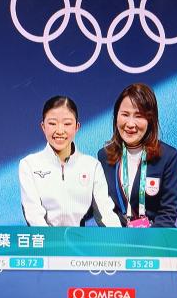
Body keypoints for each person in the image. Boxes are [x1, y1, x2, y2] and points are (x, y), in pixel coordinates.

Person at [19, 96, 121, 227]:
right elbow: (33, 215)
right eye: (52, 123)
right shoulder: (29, 164)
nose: (59, 131)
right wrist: (51, 239)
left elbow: (106, 213)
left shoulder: (92, 166)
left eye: (67, 124)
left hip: (78, 238)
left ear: (77, 127)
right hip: (44, 238)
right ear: (43, 126)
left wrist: (120, 237)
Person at [98, 83, 177, 228]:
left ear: (150, 120)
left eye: (139, 116)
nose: (130, 124)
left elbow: (167, 214)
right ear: (116, 116)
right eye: (125, 114)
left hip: (155, 239)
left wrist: (144, 240)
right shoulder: (104, 156)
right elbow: (103, 207)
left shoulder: (168, 156)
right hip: (117, 238)